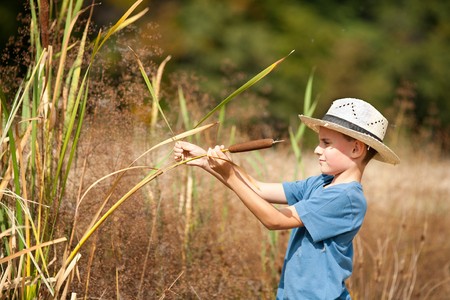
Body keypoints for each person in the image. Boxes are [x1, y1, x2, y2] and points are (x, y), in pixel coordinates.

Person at [173, 98, 400, 299]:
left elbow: (275, 220)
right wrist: (207, 162)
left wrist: (229, 173)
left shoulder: (345, 198)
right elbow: (258, 189)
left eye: (326, 143)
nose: (317, 150)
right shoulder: (320, 183)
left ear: (356, 149)